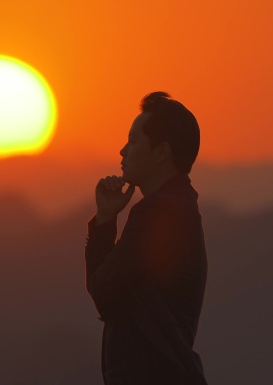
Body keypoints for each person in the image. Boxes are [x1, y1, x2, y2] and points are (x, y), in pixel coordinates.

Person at [85, 92, 208, 384]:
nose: (122, 151)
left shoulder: (160, 214)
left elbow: (102, 291)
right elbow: (107, 291)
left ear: (161, 152)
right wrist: (106, 216)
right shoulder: (178, 206)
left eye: (133, 140)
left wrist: (105, 221)